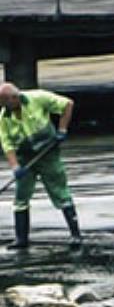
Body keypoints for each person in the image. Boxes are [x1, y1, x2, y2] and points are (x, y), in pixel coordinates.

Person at [0, 82, 81, 249]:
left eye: (4, 102)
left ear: (14, 98)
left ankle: (76, 235)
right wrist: (15, 167)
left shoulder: (38, 98)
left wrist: (62, 130)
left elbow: (67, 104)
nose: (3, 107)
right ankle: (21, 239)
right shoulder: (4, 117)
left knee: (60, 193)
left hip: (47, 155)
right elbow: (7, 144)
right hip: (25, 158)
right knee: (21, 198)